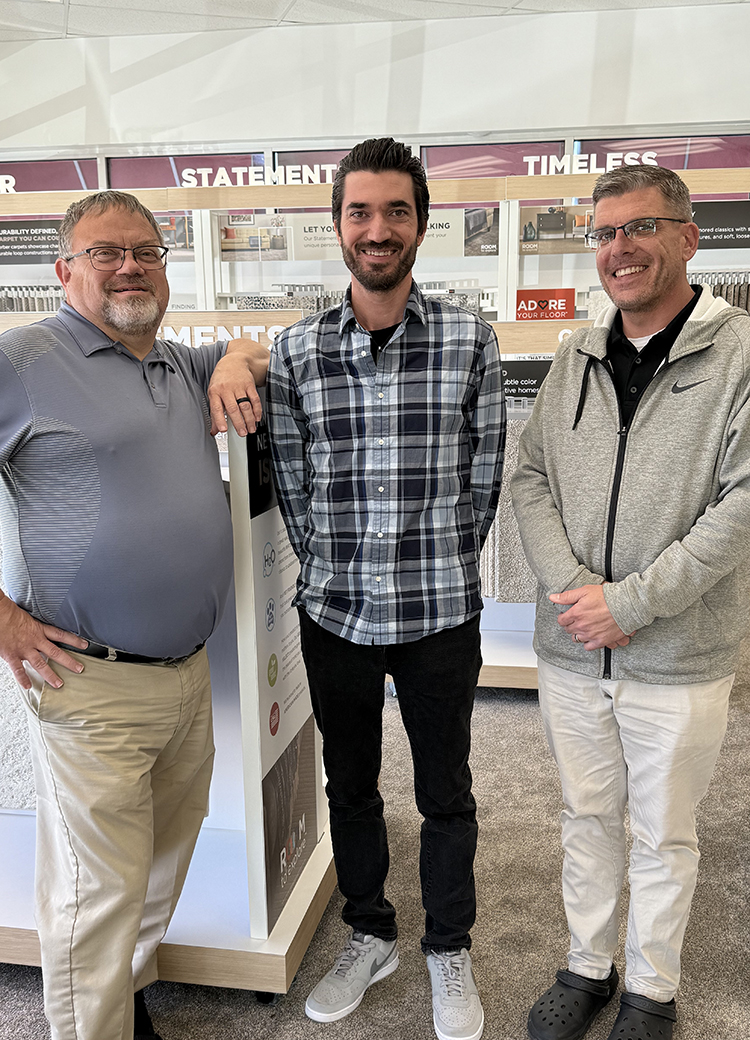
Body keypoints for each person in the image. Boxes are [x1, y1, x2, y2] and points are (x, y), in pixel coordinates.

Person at [0, 190, 269, 1040]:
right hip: (90, 683)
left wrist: (234, 357)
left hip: (187, 675)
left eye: (145, 252)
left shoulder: (181, 363)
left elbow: (256, 348)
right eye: (104, 253)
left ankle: (127, 995)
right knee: (94, 893)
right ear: (64, 269)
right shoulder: (24, 361)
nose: (128, 268)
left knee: (160, 860)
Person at [266, 138, 505, 1040]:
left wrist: (438, 560)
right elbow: (293, 483)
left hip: (441, 613)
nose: (378, 229)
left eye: (395, 211)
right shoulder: (295, 352)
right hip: (334, 615)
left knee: (446, 791)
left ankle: (450, 946)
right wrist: (336, 568)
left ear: (421, 224)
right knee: (350, 785)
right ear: (337, 226)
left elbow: (482, 483)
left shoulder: (468, 340)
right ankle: (371, 934)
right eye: (360, 212)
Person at [511, 164, 750, 1040]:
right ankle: (587, 965)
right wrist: (577, 592)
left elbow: (743, 507)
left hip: (676, 652)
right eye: (605, 233)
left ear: (688, 238)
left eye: (640, 228)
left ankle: (652, 989)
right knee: (584, 815)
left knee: (663, 831)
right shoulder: (575, 354)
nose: (620, 249)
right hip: (572, 645)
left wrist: (634, 604)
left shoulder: (740, 355)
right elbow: (530, 473)